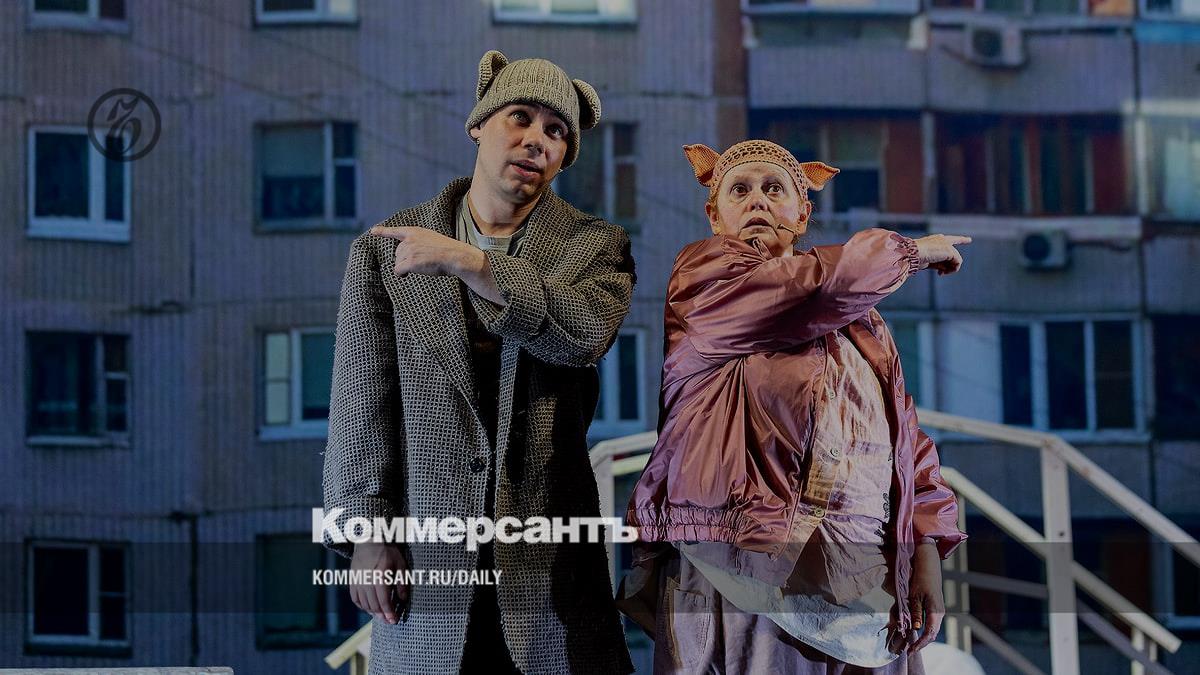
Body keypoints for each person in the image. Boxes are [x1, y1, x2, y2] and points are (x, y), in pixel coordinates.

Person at [322, 50, 636, 674]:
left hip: (550, 568)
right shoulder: (387, 250)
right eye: (520, 117)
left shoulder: (594, 247)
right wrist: (367, 533)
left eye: (556, 131)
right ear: (478, 124)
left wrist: (468, 262)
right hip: (431, 564)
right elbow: (360, 406)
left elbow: (582, 335)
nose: (536, 139)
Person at [618, 140, 970, 674]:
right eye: (740, 190)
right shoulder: (706, 281)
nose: (757, 199)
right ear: (714, 215)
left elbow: (905, 443)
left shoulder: (861, 321)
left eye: (773, 188)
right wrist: (911, 252)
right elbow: (814, 288)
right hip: (744, 562)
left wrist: (922, 552)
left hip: (864, 574)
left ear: (802, 214)